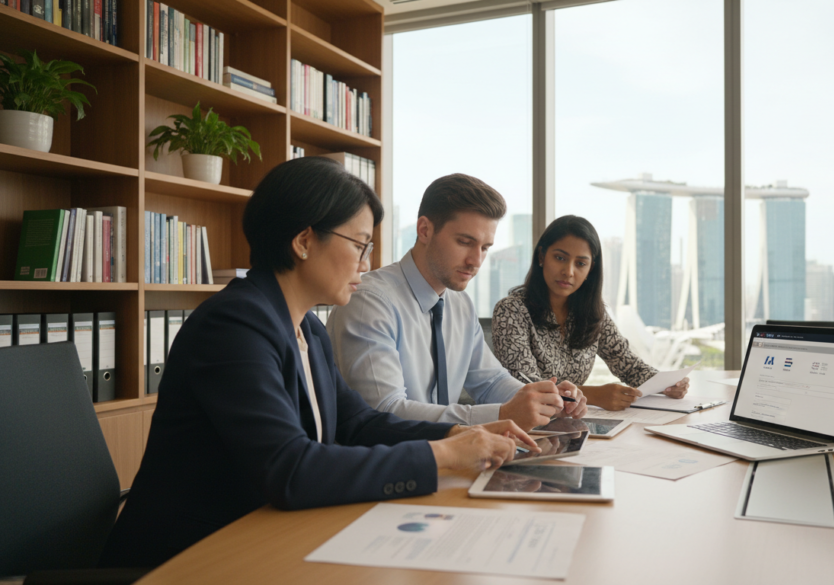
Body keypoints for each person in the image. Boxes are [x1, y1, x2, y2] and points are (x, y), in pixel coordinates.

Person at [99, 158, 537, 568]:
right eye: (360, 245)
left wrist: (460, 432)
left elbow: (358, 425)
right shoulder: (233, 326)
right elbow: (290, 469)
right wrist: (442, 454)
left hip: (266, 537)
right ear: (304, 241)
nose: (367, 264)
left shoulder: (306, 328)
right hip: (191, 558)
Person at [328, 173, 587, 430]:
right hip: (392, 463)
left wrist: (543, 399)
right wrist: (501, 414)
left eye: (485, 248)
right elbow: (385, 411)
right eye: (465, 242)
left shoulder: (460, 304)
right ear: (425, 230)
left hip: (452, 458)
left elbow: (491, 381)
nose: (476, 261)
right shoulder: (369, 302)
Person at [491, 215, 690, 411]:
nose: (569, 272)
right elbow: (526, 387)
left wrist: (668, 384)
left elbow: (627, 364)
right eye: (560, 258)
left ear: (590, 269)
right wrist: (592, 395)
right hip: (522, 428)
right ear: (542, 256)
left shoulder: (593, 312)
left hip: (572, 425)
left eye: (580, 263)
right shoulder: (511, 311)